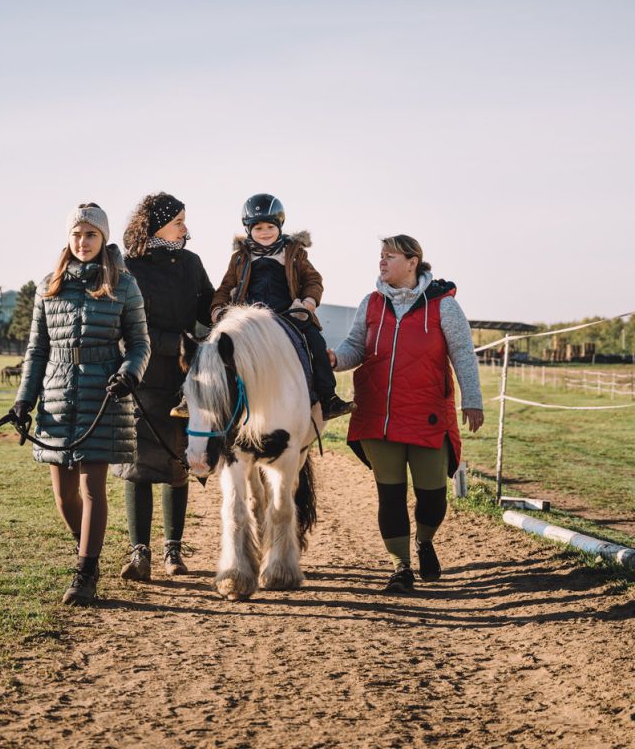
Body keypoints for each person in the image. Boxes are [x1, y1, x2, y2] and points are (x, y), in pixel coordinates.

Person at [328, 234, 483, 593]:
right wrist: (336, 358)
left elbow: (462, 353)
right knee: (391, 496)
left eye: (390, 256)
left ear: (413, 262)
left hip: (427, 416)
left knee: (433, 498)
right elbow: (355, 347)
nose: (382, 262)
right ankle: (401, 568)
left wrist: (472, 399)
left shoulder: (443, 305)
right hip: (377, 416)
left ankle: (424, 541)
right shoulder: (371, 302)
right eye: (381, 256)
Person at [13, 203, 150, 606]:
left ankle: (86, 572)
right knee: (64, 496)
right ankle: (87, 548)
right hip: (56, 396)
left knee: (92, 488)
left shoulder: (124, 285)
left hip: (104, 393)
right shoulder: (48, 286)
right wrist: (24, 400)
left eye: (90, 234)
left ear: (103, 238)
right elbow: (37, 350)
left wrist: (129, 373)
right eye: (76, 234)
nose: (82, 242)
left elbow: (140, 343)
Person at [112, 192, 214, 580]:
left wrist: (223, 311)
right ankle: (140, 553)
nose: (185, 228)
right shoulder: (129, 267)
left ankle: (173, 550)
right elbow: (126, 327)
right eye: (178, 222)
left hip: (185, 381)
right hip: (140, 377)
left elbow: (208, 306)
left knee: (178, 463)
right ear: (156, 227)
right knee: (136, 466)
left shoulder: (191, 263)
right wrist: (178, 343)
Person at [208, 193, 354, 420]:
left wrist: (308, 302)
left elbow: (313, 280)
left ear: (280, 225)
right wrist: (218, 309)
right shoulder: (239, 258)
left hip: (289, 314)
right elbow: (225, 288)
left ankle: (328, 398)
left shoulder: (294, 253)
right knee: (213, 345)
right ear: (248, 230)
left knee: (316, 342)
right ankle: (201, 397)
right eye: (258, 228)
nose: (265, 232)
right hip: (249, 319)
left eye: (270, 226)